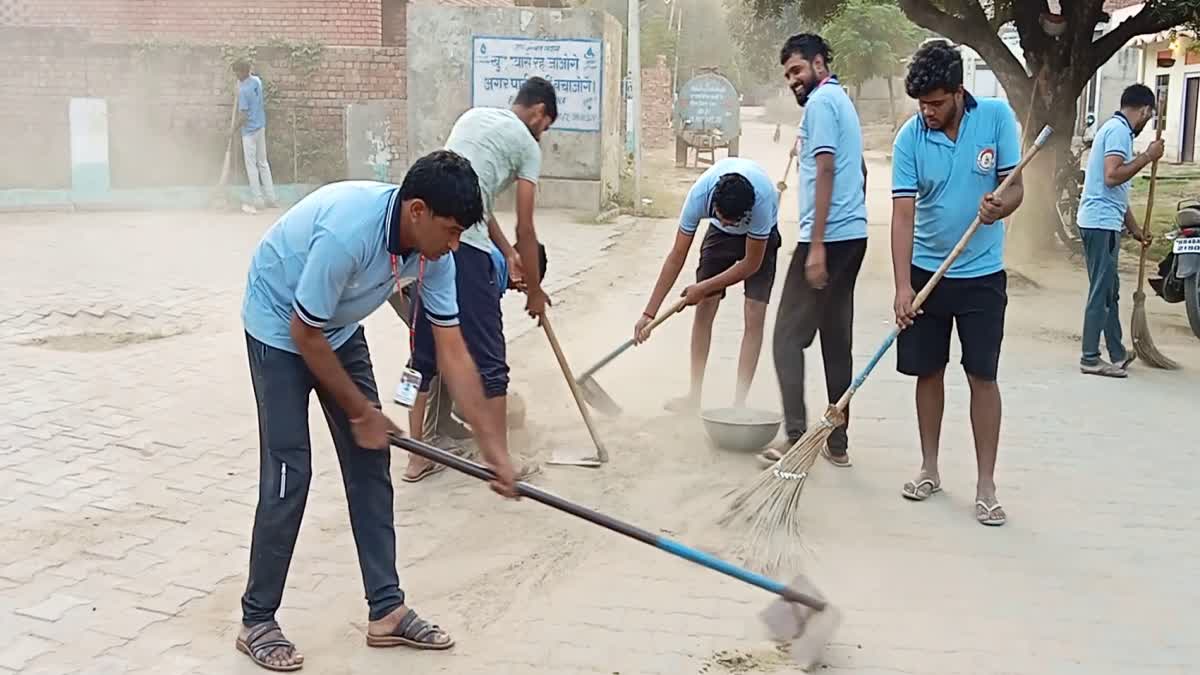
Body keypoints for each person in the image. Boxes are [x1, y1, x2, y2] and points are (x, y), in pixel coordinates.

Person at [236, 150, 518, 671]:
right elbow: (303, 332)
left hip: (335, 330)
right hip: (279, 326)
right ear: (417, 212)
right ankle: (257, 618)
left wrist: (495, 448)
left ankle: (386, 609)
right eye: (451, 230)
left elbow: (454, 354)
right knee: (288, 471)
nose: (456, 244)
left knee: (369, 463)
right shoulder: (350, 231)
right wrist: (361, 410)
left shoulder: (436, 254)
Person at [890, 40, 1023, 527]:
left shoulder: (995, 119)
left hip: (983, 276)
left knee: (982, 376)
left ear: (959, 92)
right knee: (928, 372)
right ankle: (929, 467)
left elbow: (1016, 189)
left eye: (937, 103)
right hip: (929, 271)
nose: (927, 112)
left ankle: (986, 486)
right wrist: (903, 286)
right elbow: (902, 216)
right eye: (922, 103)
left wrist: (999, 207)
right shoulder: (910, 139)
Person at [400, 77, 557, 483]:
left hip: (425, 238)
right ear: (539, 113)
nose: (543, 134)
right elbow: (526, 225)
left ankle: (417, 455)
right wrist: (536, 294)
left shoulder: (473, 118)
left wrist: (507, 253)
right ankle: (500, 459)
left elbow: (474, 203)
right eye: (546, 126)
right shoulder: (525, 145)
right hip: (463, 251)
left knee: (423, 357)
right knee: (491, 358)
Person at [758, 33, 868, 468]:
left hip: (828, 238)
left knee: (786, 337)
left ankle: (798, 436)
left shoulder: (823, 103)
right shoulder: (841, 101)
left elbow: (826, 169)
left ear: (820, 63)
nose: (793, 81)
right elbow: (856, 168)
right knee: (834, 340)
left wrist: (817, 244)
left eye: (798, 70)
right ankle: (837, 443)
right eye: (787, 75)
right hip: (852, 234)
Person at [634, 157, 782, 411]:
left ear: (746, 211)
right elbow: (676, 257)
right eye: (723, 217)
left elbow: (750, 265)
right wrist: (649, 313)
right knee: (705, 309)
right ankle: (694, 396)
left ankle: (739, 404)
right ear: (713, 205)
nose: (728, 223)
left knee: (754, 314)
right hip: (719, 240)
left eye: (733, 221)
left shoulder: (763, 202)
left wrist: (701, 288)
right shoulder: (700, 196)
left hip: (759, 243)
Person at [1076, 83, 1161, 377]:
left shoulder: (1115, 130)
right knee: (1101, 291)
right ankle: (1090, 357)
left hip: (1103, 220)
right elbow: (1112, 177)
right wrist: (1147, 157)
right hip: (1100, 224)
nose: (1146, 123)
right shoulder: (1119, 132)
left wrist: (1135, 229)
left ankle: (1116, 351)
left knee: (1110, 291)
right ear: (1145, 110)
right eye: (1149, 117)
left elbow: (1117, 194)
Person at [232, 59, 277, 214]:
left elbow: (243, 115)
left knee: (251, 166)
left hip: (249, 132)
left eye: (237, 72)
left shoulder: (244, 90)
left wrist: (233, 130)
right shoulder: (257, 81)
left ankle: (258, 199)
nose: (236, 75)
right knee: (263, 163)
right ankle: (271, 198)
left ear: (242, 72)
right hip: (261, 126)